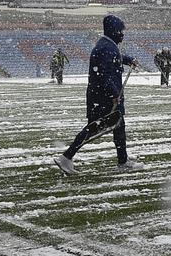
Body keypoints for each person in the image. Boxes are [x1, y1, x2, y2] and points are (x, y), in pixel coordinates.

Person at [55, 15, 140, 174]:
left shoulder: (107, 46)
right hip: (103, 98)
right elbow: (105, 75)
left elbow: (115, 59)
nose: (122, 34)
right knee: (93, 128)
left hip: (101, 96)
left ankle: (123, 160)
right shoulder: (106, 48)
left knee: (119, 127)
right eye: (121, 31)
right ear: (114, 31)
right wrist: (114, 94)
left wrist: (128, 60)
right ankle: (66, 157)